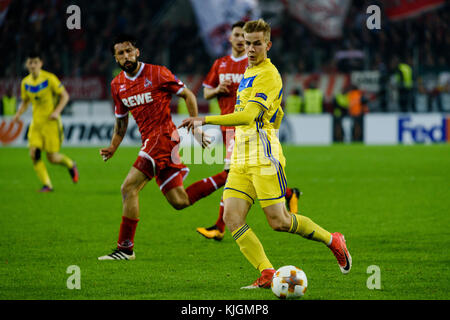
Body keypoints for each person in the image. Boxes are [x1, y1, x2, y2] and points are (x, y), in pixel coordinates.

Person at [180, 19, 351, 288]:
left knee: (279, 221)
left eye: (256, 44)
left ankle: (333, 240)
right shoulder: (249, 71)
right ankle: (267, 272)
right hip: (240, 156)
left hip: (263, 156)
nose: (250, 48)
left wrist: (206, 119)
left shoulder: (269, 75)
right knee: (232, 217)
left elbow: (248, 115)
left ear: (268, 45)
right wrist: (274, 117)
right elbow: (271, 113)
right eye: (247, 43)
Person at [98, 34, 227, 261]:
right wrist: (113, 146)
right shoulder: (117, 85)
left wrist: (196, 126)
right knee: (180, 201)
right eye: (120, 53)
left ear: (137, 52)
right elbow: (121, 122)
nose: (126, 56)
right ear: (115, 58)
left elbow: (187, 95)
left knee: (128, 188)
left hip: (163, 138)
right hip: (152, 141)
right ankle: (228, 175)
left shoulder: (157, 73)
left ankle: (125, 248)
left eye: (129, 51)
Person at [197, 21, 300, 241]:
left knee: (229, 174)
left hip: (245, 130)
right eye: (237, 36)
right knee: (239, 178)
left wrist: (204, 120)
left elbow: (262, 106)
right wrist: (217, 90)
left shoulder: (258, 67)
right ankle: (289, 193)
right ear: (232, 39)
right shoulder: (223, 64)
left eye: (252, 42)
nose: (240, 42)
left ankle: (219, 227)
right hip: (229, 127)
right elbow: (205, 93)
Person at [12, 52, 79, 192]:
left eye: (35, 62)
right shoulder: (25, 82)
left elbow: (65, 96)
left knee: (52, 158)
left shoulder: (49, 79)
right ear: (27, 65)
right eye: (30, 63)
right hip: (36, 124)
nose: (33, 65)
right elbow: (25, 102)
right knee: (33, 154)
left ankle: (70, 164)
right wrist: (18, 114)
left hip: (51, 124)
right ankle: (47, 185)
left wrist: (56, 112)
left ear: (41, 63)